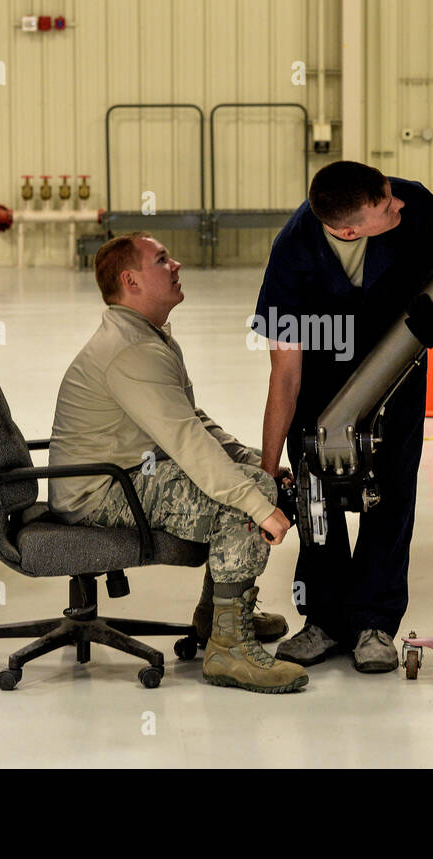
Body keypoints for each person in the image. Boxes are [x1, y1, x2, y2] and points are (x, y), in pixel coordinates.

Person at [48, 231, 307, 693]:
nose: (177, 265)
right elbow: (186, 442)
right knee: (243, 501)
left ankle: (218, 617)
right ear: (131, 280)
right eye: (162, 260)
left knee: (249, 484)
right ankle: (228, 650)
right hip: (100, 492)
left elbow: (192, 420)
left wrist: (252, 461)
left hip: (125, 472)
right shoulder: (132, 350)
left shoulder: (146, 334)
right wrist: (258, 502)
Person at [255, 162, 433, 673]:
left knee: (390, 499)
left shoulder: (416, 203)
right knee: (316, 500)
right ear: (348, 230)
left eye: (390, 195)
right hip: (319, 391)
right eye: (386, 207)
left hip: (399, 378)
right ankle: (323, 620)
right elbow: (285, 376)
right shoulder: (292, 255)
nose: (399, 206)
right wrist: (267, 467)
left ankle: (373, 623)